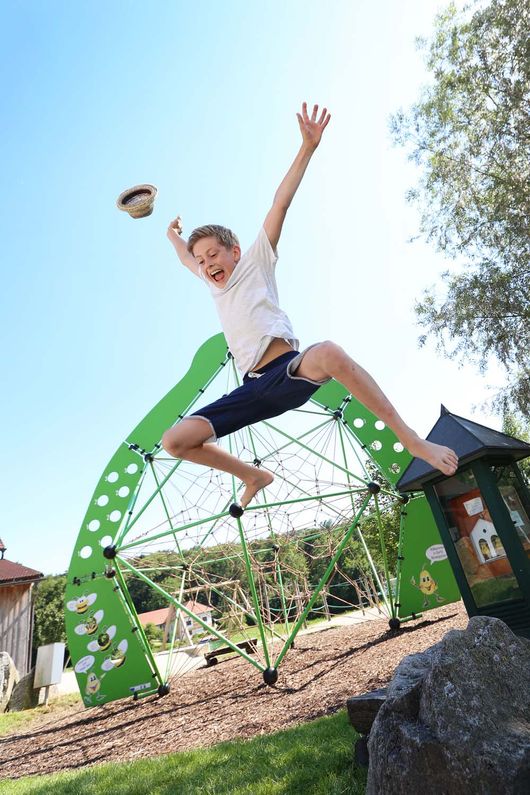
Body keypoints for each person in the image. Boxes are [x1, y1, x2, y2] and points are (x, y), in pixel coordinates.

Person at [163, 102, 458, 511]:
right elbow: (184, 258)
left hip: (288, 374)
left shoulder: (255, 262)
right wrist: (171, 234)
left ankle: (409, 438)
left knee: (331, 352)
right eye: (202, 260)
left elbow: (279, 204)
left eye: (215, 254)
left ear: (234, 252)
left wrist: (307, 148)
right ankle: (254, 476)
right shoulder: (211, 284)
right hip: (252, 390)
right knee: (174, 441)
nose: (208, 263)